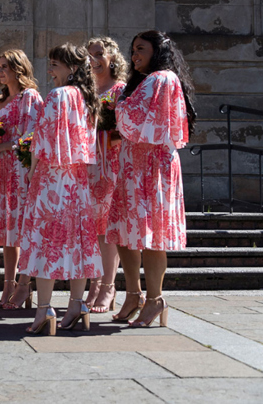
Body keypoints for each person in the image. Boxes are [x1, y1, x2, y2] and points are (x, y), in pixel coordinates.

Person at [106, 30, 195, 327]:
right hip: (133, 164)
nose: (134, 55)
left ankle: (156, 299)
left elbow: (133, 114)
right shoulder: (144, 81)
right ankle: (134, 294)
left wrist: (113, 108)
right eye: (132, 50)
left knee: (152, 236)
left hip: (153, 166)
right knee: (124, 233)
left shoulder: (162, 78)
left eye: (141, 49)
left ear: (157, 51)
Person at [16, 43, 102, 335]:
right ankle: (78, 303)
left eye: (55, 64)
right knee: (77, 241)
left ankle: (44, 310)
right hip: (77, 181)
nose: (49, 70)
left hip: (51, 178)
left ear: (72, 68)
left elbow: (42, 141)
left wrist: (31, 170)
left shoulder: (57, 96)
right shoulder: (89, 99)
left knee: (45, 241)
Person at [0, 49, 42, 309]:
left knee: (23, 230)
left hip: (21, 171)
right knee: (7, 233)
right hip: (0, 173)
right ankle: (8, 285)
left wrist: (0, 147)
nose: (0, 71)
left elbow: (33, 137)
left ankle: (25, 285)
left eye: (5, 67)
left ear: (18, 69)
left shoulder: (31, 97)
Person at [84, 37, 128, 313]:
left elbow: (126, 129)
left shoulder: (120, 90)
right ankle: (93, 283)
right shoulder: (86, 91)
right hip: (87, 164)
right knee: (91, 229)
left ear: (112, 57)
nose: (93, 60)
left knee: (107, 229)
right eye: (89, 56)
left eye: (99, 54)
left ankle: (108, 286)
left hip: (111, 164)